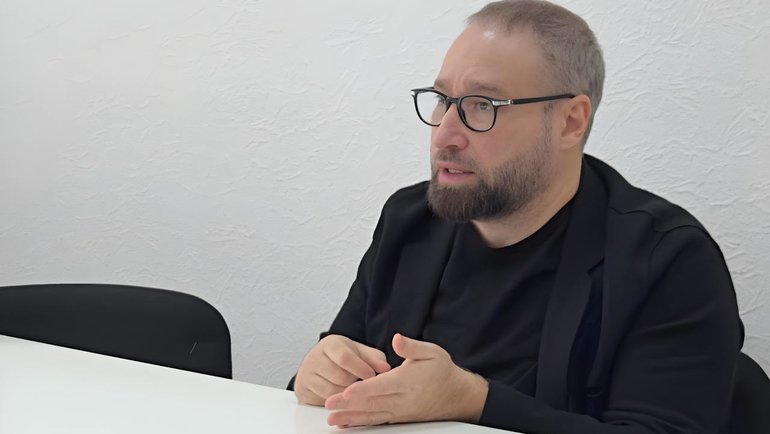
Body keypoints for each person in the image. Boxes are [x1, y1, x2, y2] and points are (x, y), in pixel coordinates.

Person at [289, 1, 744, 433]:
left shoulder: (667, 259)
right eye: (442, 99)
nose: (445, 134)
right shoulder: (409, 221)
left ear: (570, 121)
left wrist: (476, 401)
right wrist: (321, 374)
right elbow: (335, 376)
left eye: (482, 106)